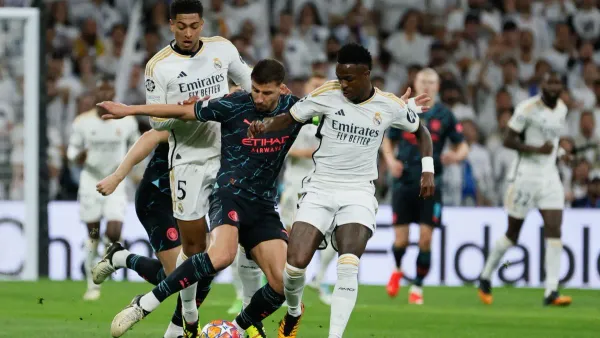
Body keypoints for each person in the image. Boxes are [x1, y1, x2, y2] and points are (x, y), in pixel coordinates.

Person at [99, 59, 305, 338]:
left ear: (282, 89)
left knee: (282, 284)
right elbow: (180, 112)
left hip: (264, 205)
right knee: (221, 256)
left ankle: (236, 329)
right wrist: (130, 109)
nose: (258, 98)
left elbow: (334, 111)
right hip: (228, 195)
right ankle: (145, 304)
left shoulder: (297, 109)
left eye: (266, 93)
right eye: (255, 90)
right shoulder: (233, 104)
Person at [247, 43, 434, 338]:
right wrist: (266, 125)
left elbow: (420, 131)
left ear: (366, 74)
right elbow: (291, 117)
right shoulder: (327, 94)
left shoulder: (388, 105)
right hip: (320, 187)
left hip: (359, 192)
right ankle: (294, 312)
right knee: (294, 267)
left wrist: (428, 169)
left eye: (349, 78)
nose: (342, 84)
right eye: (339, 76)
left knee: (348, 263)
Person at [140, 0, 258, 336]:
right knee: (193, 248)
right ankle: (188, 313)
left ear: (202, 24)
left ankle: (248, 317)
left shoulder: (222, 49)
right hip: (188, 160)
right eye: (181, 26)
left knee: (242, 235)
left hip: (227, 157)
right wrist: (186, 110)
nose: (188, 33)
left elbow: (251, 86)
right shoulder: (158, 67)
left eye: (194, 26)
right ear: (171, 26)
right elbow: (156, 122)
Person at [477, 71, 572, 307]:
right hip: (524, 177)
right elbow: (508, 140)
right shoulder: (526, 109)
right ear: (542, 84)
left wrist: (560, 153)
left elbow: (554, 140)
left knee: (554, 229)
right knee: (512, 235)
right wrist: (535, 149)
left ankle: (551, 290)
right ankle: (486, 275)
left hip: (549, 178)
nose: (553, 86)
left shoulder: (562, 109)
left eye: (557, 82)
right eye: (549, 81)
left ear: (561, 87)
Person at [381, 68, 469, 304]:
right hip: (404, 183)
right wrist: (391, 161)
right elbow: (387, 140)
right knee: (400, 240)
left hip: (431, 184)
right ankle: (397, 268)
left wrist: (455, 156)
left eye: (432, 82)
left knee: (426, 239)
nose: (427, 86)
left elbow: (463, 146)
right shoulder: (403, 109)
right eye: (423, 81)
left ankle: (417, 287)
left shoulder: (445, 114)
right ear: (416, 83)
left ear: (438, 87)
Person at [66, 78, 140, 301]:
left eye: (109, 91)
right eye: (100, 91)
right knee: (93, 234)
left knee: (115, 231)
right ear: (95, 95)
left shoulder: (126, 120)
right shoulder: (82, 122)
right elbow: (71, 152)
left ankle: (108, 260)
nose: (104, 95)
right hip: (91, 181)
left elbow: (137, 145)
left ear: (114, 93)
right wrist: (79, 157)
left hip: (115, 181)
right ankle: (92, 284)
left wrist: (134, 172)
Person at [279, 74, 336, 306]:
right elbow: (286, 148)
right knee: (290, 233)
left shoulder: (332, 117)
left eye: (323, 87)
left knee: (331, 233)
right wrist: (316, 152)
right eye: (315, 86)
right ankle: (282, 284)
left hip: (324, 182)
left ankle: (320, 278)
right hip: (296, 181)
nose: (319, 90)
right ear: (306, 88)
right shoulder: (298, 113)